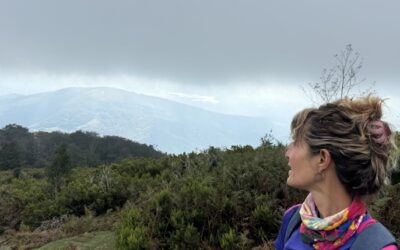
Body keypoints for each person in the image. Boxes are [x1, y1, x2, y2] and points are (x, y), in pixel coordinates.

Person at [274, 96, 398, 250]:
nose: (287, 153)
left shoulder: (376, 246)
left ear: (322, 158)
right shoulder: (292, 220)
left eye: (295, 143)